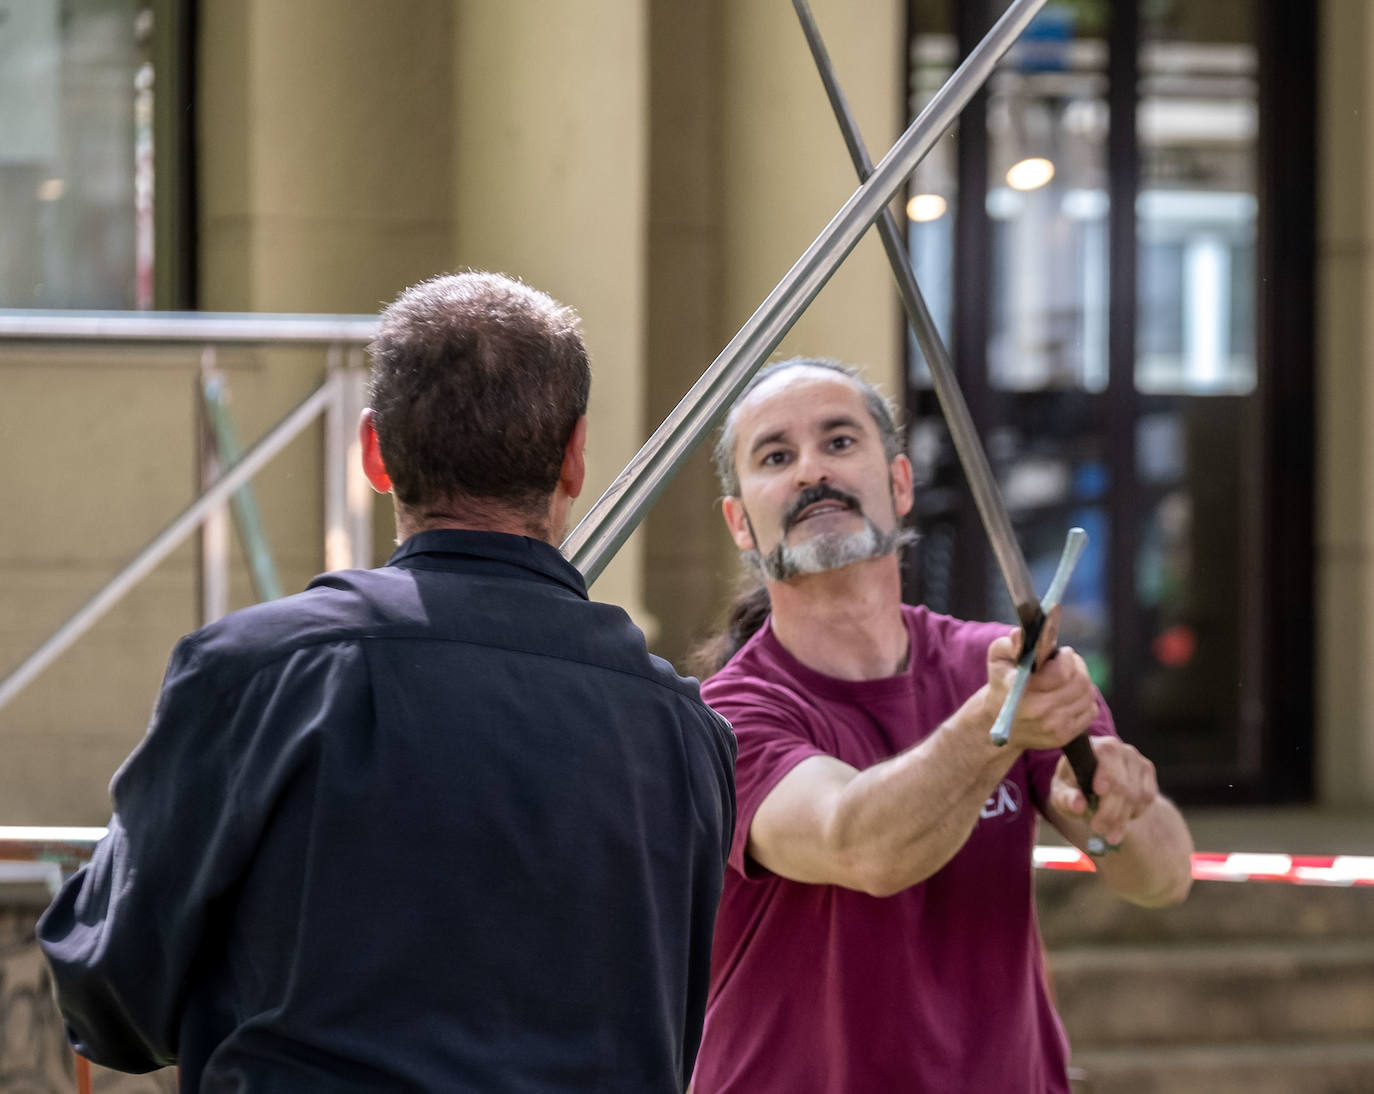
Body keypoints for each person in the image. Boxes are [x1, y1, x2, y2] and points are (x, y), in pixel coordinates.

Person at [37, 271, 737, 1093]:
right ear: (577, 456)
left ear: (373, 451)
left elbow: (111, 994)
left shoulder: (255, 675)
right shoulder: (687, 734)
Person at [688, 357, 1193, 1094]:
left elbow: (1164, 878)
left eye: (838, 442)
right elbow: (859, 847)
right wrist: (997, 721)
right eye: (775, 456)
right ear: (740, 523)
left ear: (899, 484)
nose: (810, 472)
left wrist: (1121, 806)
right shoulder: (729, 715)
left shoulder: (995, 667)